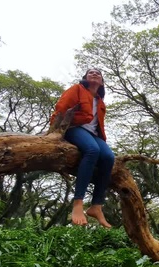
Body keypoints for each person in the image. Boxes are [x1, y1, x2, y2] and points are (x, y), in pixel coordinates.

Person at [50, 69, 114, 228]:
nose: (94, 74)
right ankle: (78, 203)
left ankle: (96, 206)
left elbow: (98, 125)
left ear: (102, 82)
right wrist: (54, 131)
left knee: (108, 158)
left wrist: (102, 139)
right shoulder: (77, 89)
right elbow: (61, 108)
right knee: (93, 150)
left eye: (98, 74)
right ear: (85, 78)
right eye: (90, 73)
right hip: (73, 128)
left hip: (93, 134)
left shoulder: (100, 101)